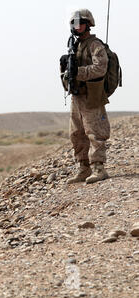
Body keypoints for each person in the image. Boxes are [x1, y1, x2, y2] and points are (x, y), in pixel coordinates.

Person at [60, 9, 110, 184]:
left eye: (79, 23)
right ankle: (84, 167)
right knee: (76, 133)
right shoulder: (75, 45)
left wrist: (77, 72)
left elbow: (100, 68)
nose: (76, 27)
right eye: (73, 23)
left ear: (88, 24)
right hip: (77, 95)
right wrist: (66, 71)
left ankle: (98, 168)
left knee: (95, 132)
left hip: (92, 95)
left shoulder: (95, 45)